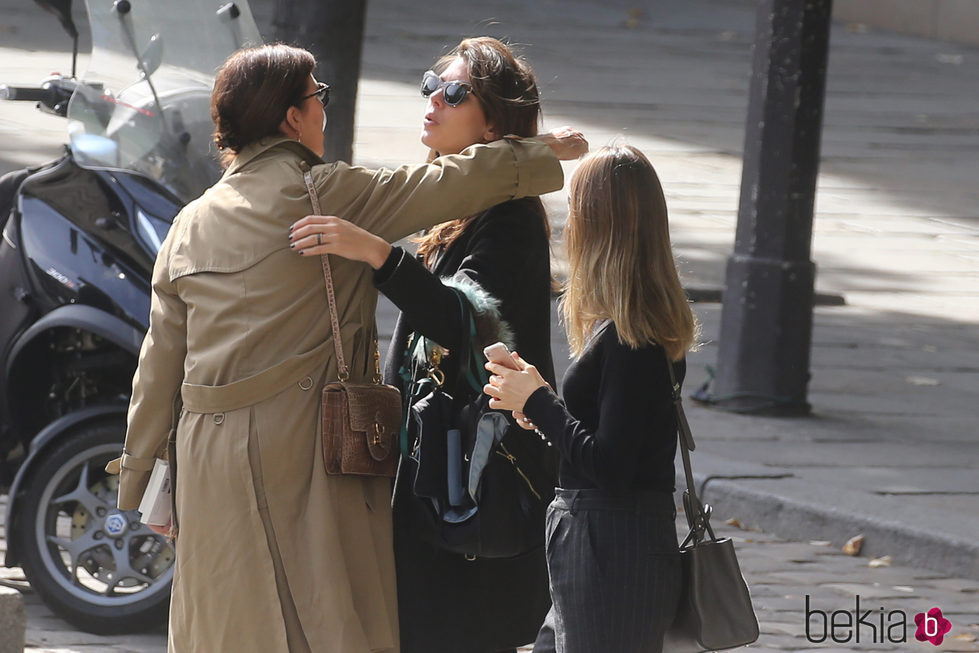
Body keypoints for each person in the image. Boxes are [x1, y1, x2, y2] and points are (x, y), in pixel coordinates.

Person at [107, 43, 586, 653]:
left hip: (208, 453)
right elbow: (452, 179)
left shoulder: (190, 222)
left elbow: (157, 369)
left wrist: (144, 483)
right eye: (319, 99)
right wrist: (545, 152)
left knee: (224, 626)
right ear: (292, 118)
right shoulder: (326, 193)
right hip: (311, 444)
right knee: (329, 617)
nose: (324, 114)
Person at [287, 37, 559, 653]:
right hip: (441, 471)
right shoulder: (465, 209)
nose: (434, 98)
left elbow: (468, 320)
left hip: (476, 481)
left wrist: (376, 253)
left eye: (455, 92)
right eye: (431, 83)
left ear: (494, 121)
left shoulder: (510, 219)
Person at [483, 144, 699, 653]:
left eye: (575, 210)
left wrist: (539, 402)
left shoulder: (633, 339)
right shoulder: (631, 330)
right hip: (602, 540)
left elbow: (612, 464)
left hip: (613, 547)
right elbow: (613, 437)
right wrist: (541, 405)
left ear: (596, 224)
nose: (566, 227)